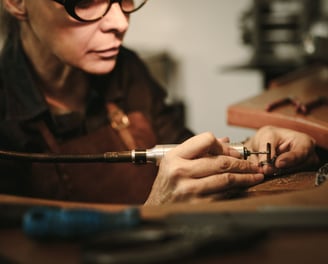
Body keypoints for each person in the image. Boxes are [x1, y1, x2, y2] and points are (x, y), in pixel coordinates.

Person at [0, 0, 323, 205]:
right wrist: (155, 213)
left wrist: (251, 151)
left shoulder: (127, 71)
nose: (120, 22)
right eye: (86, 1)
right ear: (17, 3)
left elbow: (188, 154)